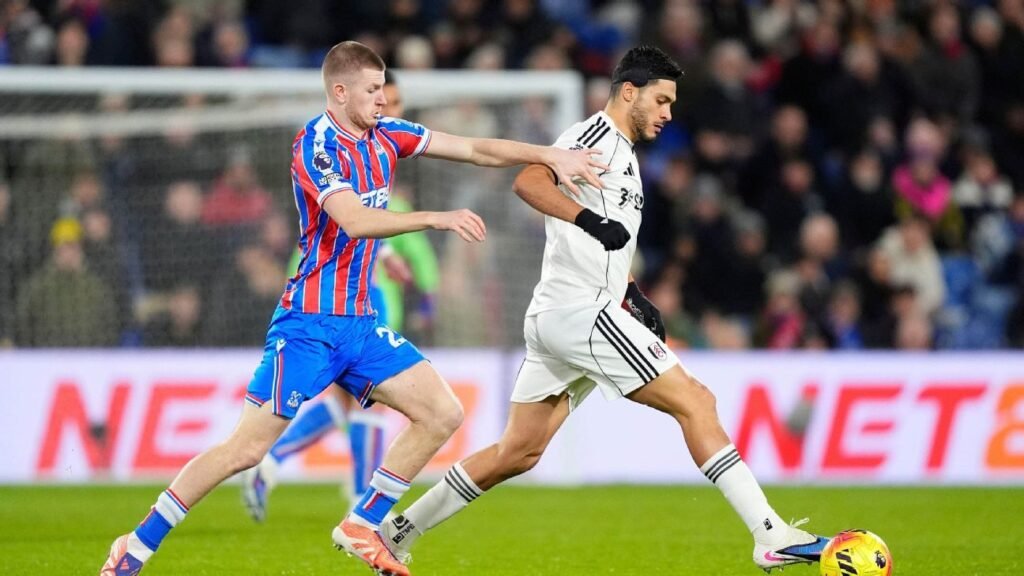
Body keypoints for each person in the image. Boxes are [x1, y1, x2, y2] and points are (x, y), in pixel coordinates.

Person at [100, 40, 606, 576]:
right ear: (340, 92)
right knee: (244, 450)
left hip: (361, 325)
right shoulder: (314, 144)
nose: (383, 100)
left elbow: (476, 148)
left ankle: (362, 523)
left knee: (442, 413)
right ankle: (134, 545)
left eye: (384, 88)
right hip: (308, 325)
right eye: (372, 90)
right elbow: (356, 220)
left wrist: (549, 154)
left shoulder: (388, 135)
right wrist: (436, 218)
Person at [378, 46, 828, 573]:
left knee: (518, 452)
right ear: (629, 92)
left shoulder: (625, 156)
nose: (667, 113)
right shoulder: (594, 138)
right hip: (579, 312)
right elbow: (528, 180)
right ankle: (768, 534)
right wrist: (588, 222)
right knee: (696, 402)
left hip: (567, 313)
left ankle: (393, 531)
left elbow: (608, 242)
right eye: (661, 100)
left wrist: (631, 293)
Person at [239, 69, 428, 520]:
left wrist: (391, 262)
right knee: (363, 405)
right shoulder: (338, 153)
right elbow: (349, 225)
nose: (391, 111)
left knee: (349, 406)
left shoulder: (379, 161)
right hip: (338, 303)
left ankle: (278, 463)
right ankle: (357, 499)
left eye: (397, 103)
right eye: (386, 99)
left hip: (359, 299)